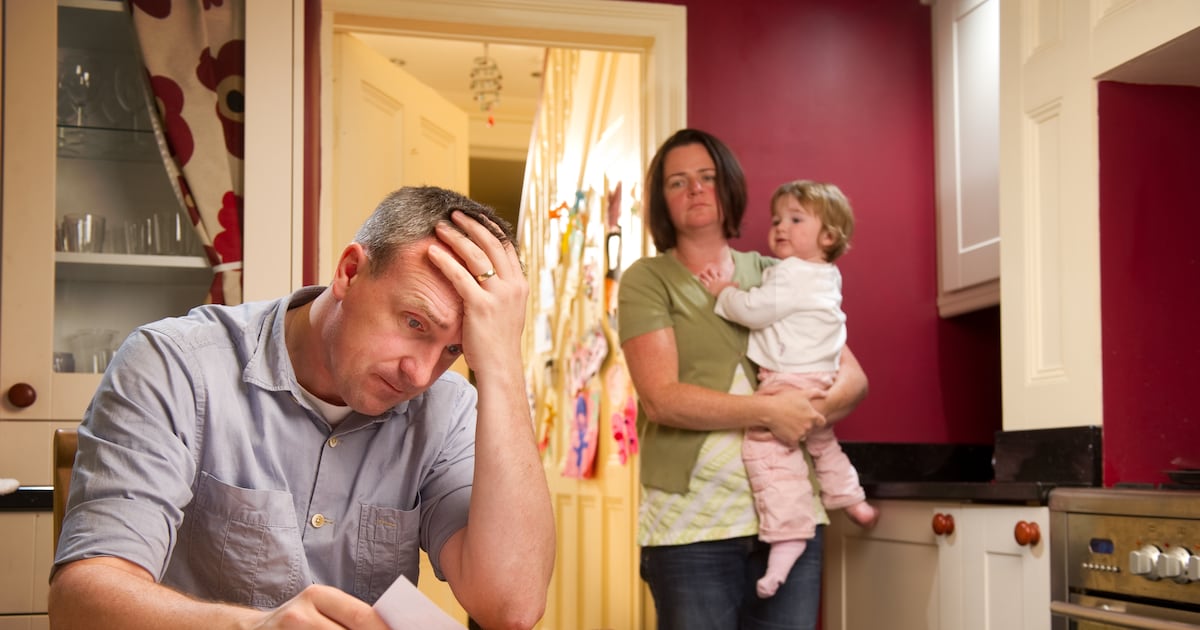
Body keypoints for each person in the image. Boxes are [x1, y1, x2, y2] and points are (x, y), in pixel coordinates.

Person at [48, 186, 555, 630]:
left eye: (453, 350)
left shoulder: (448, 411)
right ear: (350, 272)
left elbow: (511, 606)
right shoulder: (175, 366)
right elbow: (80, 602)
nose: (419, 375)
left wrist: (502, 365)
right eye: (415, 323)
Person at [617, 128, 869, 630]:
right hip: (691, 529)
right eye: (677, 181)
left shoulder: (782, 272)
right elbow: (663, 399)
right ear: (661, 201)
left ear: (728, 187)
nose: (695, 189)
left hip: (790, 519)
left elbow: (852, 377)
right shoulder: (648, 279)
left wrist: (807, 410)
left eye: (707, 177)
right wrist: (770, 410)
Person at [698, 179, 879, 600]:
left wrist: (723, 292)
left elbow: (755, 311)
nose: (780, 227)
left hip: (788, 381)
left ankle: (788, 535)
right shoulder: (826, 276)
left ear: (828, 236)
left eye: (796, 219)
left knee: (767, 451)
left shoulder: (791, 274)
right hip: (820, 377)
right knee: (822, 443)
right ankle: (850, 497)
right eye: (777, 219)